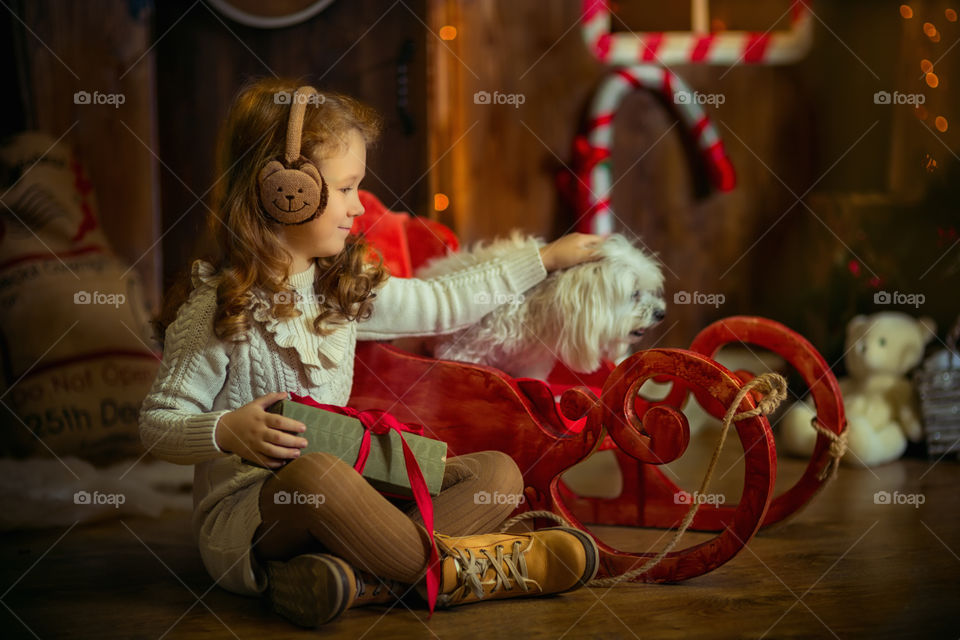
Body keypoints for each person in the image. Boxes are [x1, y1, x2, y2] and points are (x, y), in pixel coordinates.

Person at [139, 78, 604, 628]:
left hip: (354, 497)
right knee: (316, 476)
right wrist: (225, 430)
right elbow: (157, 423)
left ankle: (357, 582)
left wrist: (544, 259)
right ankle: (469, 574)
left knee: (498, 476)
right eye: (345, 188)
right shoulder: (220, 309)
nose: (359, 206)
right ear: (285, 190)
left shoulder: (343, 288)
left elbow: (443, 301)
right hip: (258, 516)